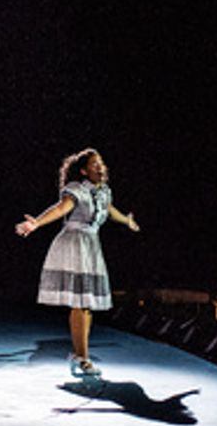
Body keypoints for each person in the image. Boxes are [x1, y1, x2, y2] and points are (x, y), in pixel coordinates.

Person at [16, 147, 138, 380]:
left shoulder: (104, 193)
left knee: (87, 303)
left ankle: (80, 354)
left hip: (91, 245)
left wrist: (127, 221)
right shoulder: (76, 190)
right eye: (94, 164)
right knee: (80, 302)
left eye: (101, 163)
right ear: (83, 171)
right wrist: (37, 223)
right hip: (74, 244)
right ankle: (82, 357)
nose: (100, 167)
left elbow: (110, 211)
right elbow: (61, 208)